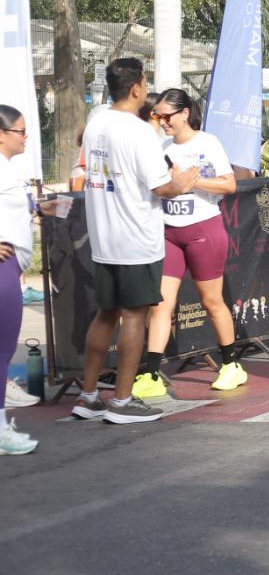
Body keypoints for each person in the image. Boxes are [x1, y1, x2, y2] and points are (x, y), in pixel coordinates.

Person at [73, 57, 199, 424]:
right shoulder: (139, 131)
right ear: (136, 88)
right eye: (145, 81)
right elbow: (162, 186)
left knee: (106, 315)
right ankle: (123, 401)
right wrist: (184, 182)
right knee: (133, 317)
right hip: (135, 239)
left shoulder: (96, 124)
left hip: (104, 238)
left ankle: (89, 395)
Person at [138, 89, 244, 399]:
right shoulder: (162, 146)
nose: (162, 122)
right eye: (157, 116)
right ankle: (152, 374)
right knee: (160, 305)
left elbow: (230, 184)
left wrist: (190, 181)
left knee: (211, 302)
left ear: (185, 113)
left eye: (166, 116)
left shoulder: (207, 143)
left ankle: (231, 365)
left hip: (203, 230)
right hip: (170, 232)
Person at [0, 105, 38, 454]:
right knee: (1, 351)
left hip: (11, 266)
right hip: (3, 267)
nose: (25, 136)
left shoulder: (10, 169)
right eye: (20, 130)